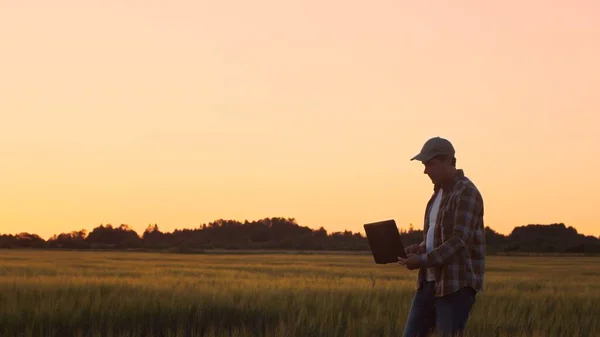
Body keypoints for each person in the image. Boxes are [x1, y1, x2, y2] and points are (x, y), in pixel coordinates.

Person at [397, 136, 485, 337]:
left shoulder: (466, 192)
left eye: (430, 163)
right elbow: (437, 235)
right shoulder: (437, 194)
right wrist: (420, 248)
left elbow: (459, 240)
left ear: (448, 161)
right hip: (428, 283)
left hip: (455, 286)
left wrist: (422, 260)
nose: (425, 170)